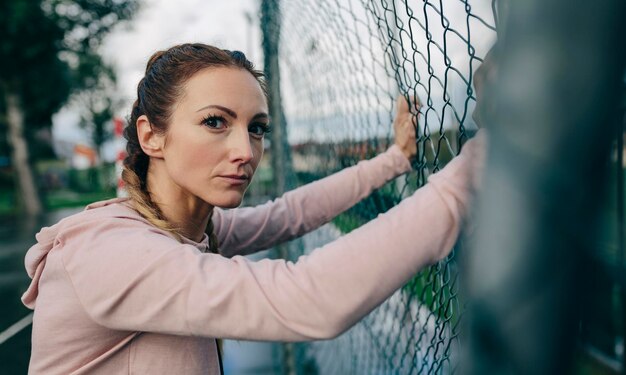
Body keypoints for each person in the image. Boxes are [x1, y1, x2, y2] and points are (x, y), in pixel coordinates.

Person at [21, 43, 484, 374]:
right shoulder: (109, 250)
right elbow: (306, 298)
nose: (245, 149)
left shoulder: (187, 228)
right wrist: (484, 165)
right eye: (215, 122)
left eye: (257, 128)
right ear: (150, 136)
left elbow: (289, 214)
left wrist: (393, 161)